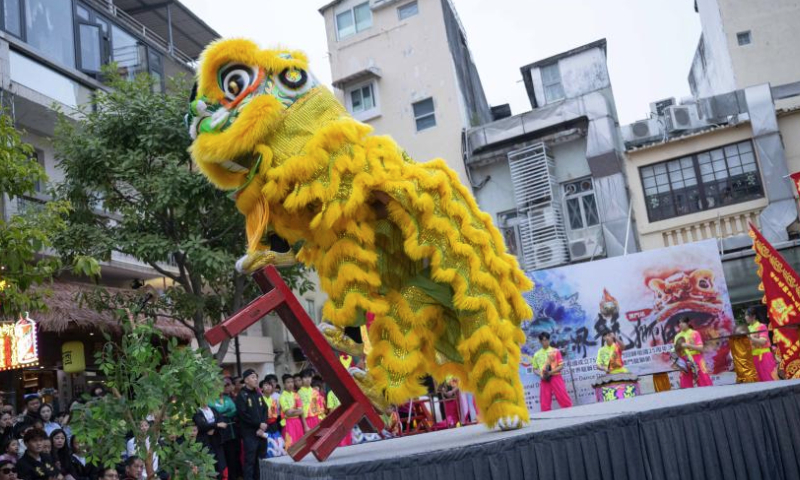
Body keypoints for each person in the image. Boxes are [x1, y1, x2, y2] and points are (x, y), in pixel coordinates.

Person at [235, 369, 267, 480]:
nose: (256, 379)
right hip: (250, 434)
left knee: (261, 460)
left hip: (261, 432)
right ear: (246, 380)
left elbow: (265, 409)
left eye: (256, 377)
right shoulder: (242, 395)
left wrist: (263, 424)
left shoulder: (258, 393)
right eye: (253, 377)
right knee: (250, 461)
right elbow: (243, 414)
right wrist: (258, 424)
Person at [531, 332, 573, 412]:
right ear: (540, 341)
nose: (545, 342)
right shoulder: (536, 354)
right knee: (544, 402)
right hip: (544, 379)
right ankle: (547, 418)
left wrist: (550, 372)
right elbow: (534, 369)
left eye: (547, 340)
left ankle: (571, 414)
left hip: (556, 377)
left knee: (563, 397)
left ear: (549, 340)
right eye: (543, 340)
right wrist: (541, 374)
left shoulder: (555, 351)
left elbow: (561, 366)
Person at [210, 377, 239, 480]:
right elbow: (215, 412)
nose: (222, 388)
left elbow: (234, 410)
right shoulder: (210, 399)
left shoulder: (228, 398)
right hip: (218, 434)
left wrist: (223, 414)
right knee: (221, 458)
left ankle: (233, 477)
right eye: (219, 386)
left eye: (224, 386)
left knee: (232, 457)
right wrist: (226, 412)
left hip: (230, 432)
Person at [673, 317, 714, 388]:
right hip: (684, 360)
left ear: (688, 323)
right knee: (685, 383)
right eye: (679, 323)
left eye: (683, 322)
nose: (681, 324)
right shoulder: (677, 336)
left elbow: (701, 348)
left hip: (696, 358)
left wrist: (688, 345)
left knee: (704, 380)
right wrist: (678, 349)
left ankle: (710, 393)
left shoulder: (695, 333)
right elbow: (676, 351)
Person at [192, 404, 227, 479]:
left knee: (221, 463)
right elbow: (201, 425)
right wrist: (216, 425)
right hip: (205, 441)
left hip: (217, 439)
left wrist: (214, 429)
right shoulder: (196, 411)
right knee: (210, 463)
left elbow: (222, 422)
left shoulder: (213, 409)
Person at [745, 306, 779, 382]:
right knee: (759, 380)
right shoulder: (748, 328)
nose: (745, 318)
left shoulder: (761, 326)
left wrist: (750, 338)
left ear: (753, 316)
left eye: (746, 315)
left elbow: (763, 341)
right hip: (753, 358)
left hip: (764, 356)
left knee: (769, 378)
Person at [279, 374, 306, 449]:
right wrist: (297, 410)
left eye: (292, 382)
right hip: (288, 423)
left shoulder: (296, 395)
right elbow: (288, 413)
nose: (291, 384)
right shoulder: (282, 397)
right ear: (284, 384)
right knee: (290, 446)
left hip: (298, 422)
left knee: (300, 445)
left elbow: (301, 411)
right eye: (288, 382)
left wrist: (293, 411)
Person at [259, 381, 285, 458]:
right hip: (265, 425)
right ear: (261, 388)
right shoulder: (259, 400)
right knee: (268, 446)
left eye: (270, 385)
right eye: (266, 385)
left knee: (278, 445)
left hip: (274, 424)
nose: (268, 387)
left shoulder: (273, 399)